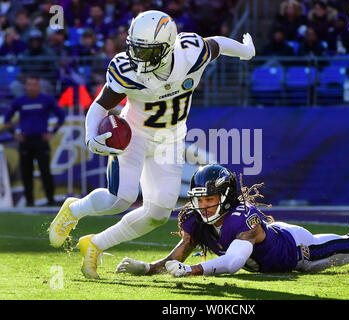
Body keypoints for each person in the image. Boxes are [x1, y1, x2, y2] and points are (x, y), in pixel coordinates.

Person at [48, 10, 256, 279]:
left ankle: (95, 245)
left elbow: (216, 43)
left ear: (168, 48)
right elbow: (100, 105)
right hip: (133, 135)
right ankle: (73, 210)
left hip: (170, 139)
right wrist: (90, 137)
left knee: (158, 213)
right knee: (120, 198)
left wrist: (245, 51)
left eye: (147, 51)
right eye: (136, 48)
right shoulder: (126, 69)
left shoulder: (190, 53)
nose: (138, 57)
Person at [115, 148, 349, 277]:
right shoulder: (196, 219)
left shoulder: (242, 218)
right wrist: (147, 268)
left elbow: (231, 263)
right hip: (273, 238)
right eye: (199, 199)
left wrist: (192, 271)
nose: (202, 206)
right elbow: (176, 258)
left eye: (210, 198)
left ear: (226, 196)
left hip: (298, 251)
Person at [4, 75, 66, 206]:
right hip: (25, 141)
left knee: (45, 171)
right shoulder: (19, 101)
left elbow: (61, 116)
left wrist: (52, 132)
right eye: (29, 84)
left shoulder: (46, 100)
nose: (32, 87)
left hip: (41, 141)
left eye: (35, 84)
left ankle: (50, 200)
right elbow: (7, 119)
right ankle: (29, 202)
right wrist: (14, 134)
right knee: (26, 172)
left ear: (39, 86)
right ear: (25, 86)